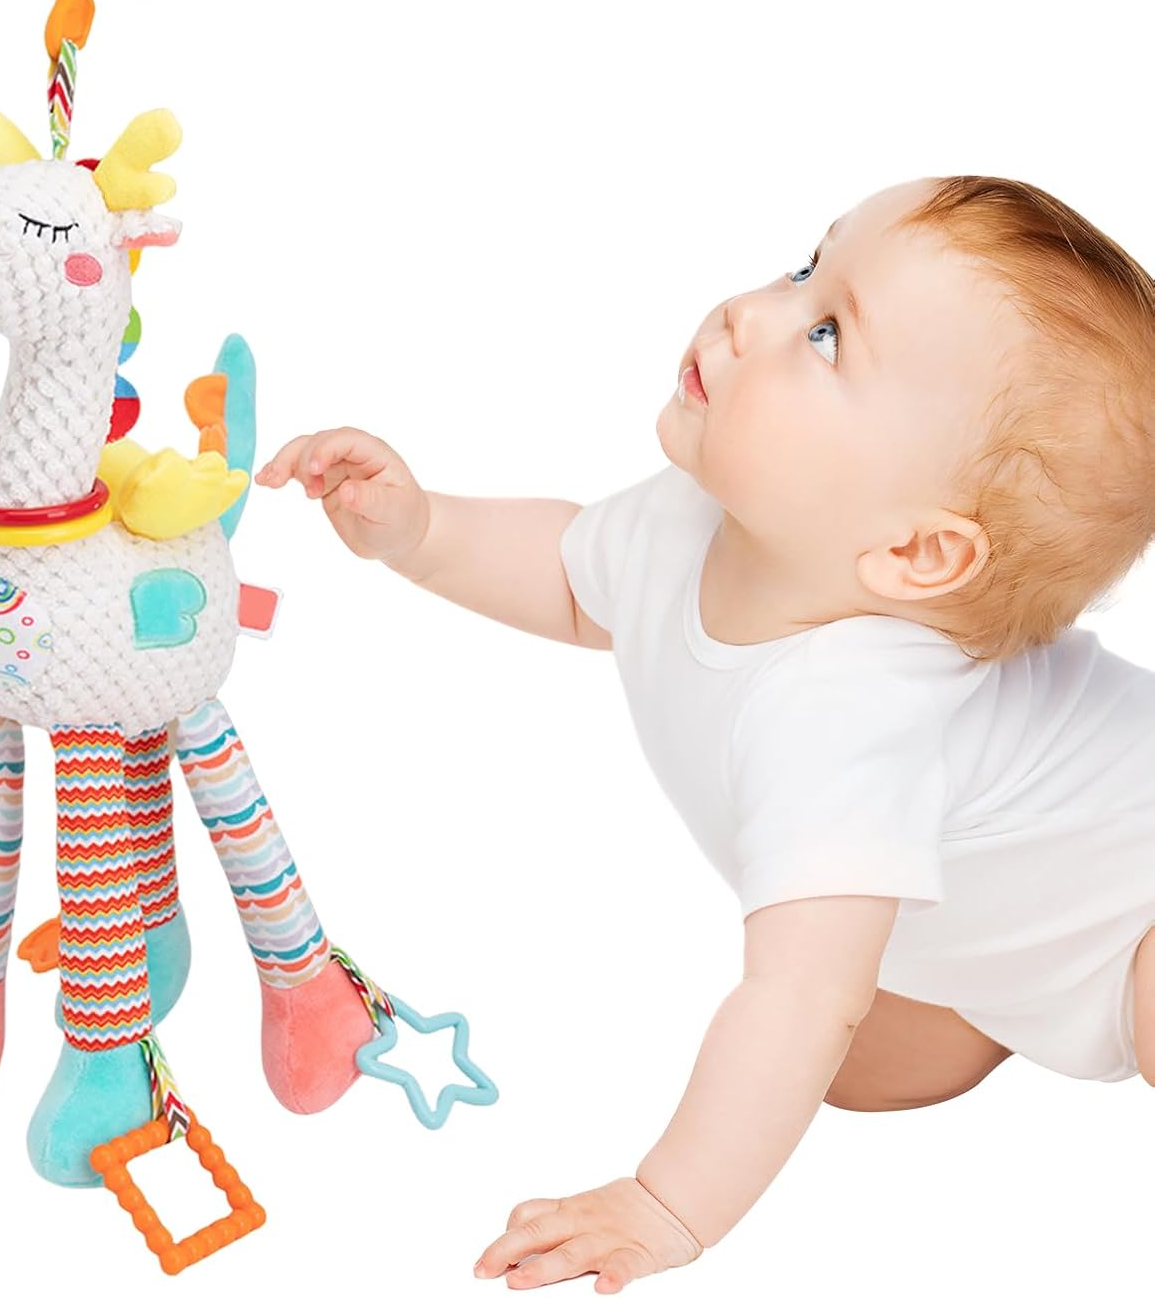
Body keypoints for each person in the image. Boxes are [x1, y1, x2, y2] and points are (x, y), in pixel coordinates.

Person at [255, 176, 1155, 1293]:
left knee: (824, 1014)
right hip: (992, 922)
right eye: (803, 269)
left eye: (827, 335)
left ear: (917, 554)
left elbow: (796, 995)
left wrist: (667, 1204)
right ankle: (1002, 1002)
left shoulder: (847, 712)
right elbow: (580, 582)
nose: (749, 314)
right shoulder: (707, 520)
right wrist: (424, 531)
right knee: (846, 1071)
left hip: (1138, 905)